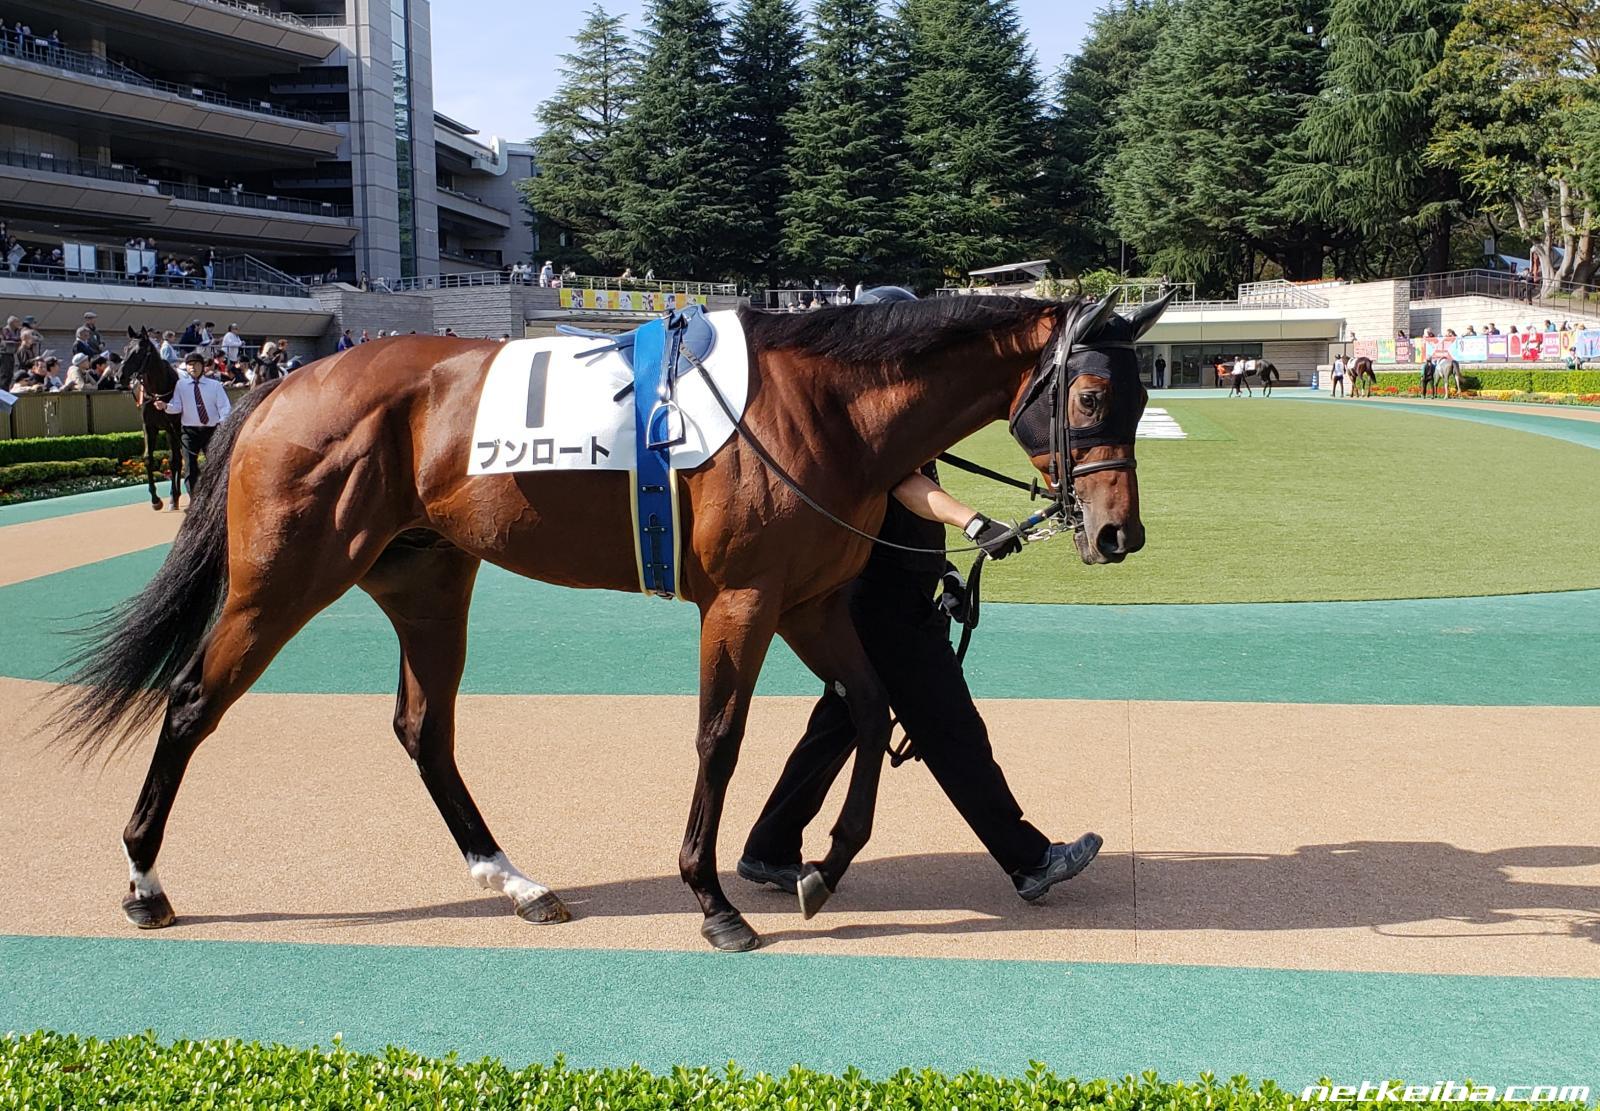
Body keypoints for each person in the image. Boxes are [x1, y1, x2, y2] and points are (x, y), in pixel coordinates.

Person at [738, 458, 1102, 903]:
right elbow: (899, 481)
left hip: (882, 602)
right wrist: (974, 523)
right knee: (953, 733)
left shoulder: (913, 430)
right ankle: (1030, 861)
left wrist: (944, 571)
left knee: (838, 727)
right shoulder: (891, 429)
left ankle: (769, 848)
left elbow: (907, 517)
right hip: (887, 611)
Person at [155, 352, 231, 495]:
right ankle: (194, 500)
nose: (193, 367)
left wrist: (222, 426)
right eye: (189, 365)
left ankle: (217, 496)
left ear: (202, 366)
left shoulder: (215, 385)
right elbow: (177, 407)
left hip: (212, 432)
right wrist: (165, 406)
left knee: (216, 466)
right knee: (190, 468)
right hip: (189, 432)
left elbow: (225, 408)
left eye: (196, 364)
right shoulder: (181, 385)